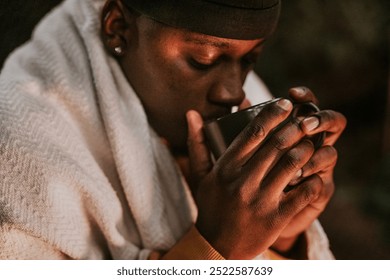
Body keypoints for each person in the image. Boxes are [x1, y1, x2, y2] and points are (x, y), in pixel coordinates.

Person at [0, 0, 346, 260]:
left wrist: (282, 238)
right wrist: (215, 247)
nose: (234, 92)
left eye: (249, 60)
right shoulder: (18, 140)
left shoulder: (241, 90)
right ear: (118, 27)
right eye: (204, 60)